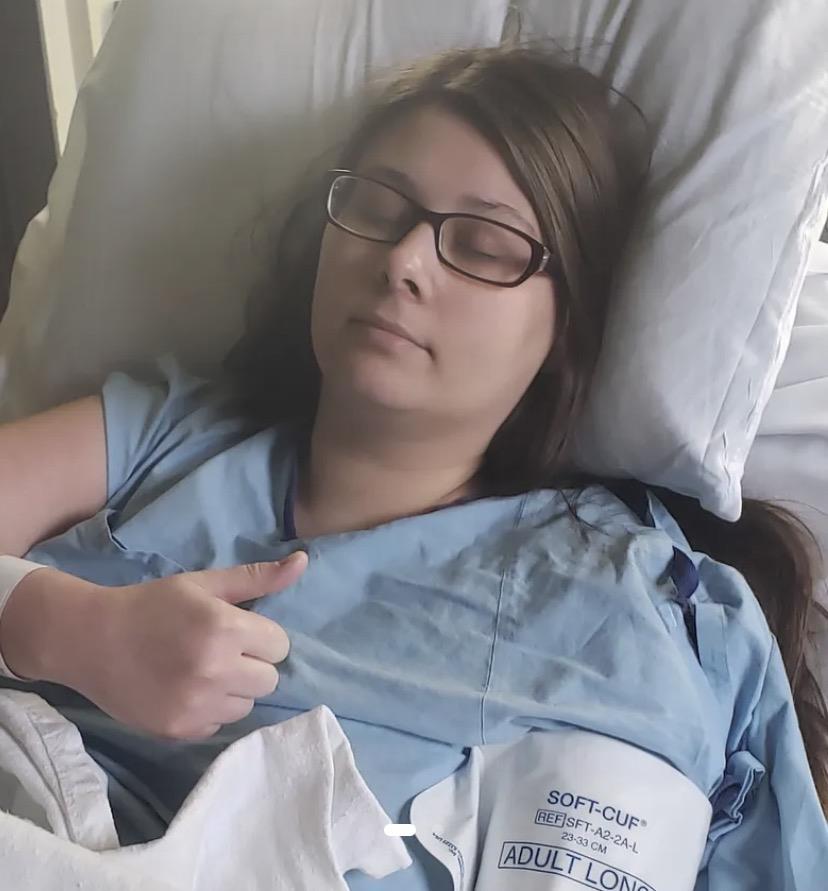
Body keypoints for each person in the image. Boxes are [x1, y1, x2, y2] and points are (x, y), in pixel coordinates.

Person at [0, 44, 826, 890]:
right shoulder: (165, 435)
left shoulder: (642, 611)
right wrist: (63, 629)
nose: (403, 262)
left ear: (565, 328)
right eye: (377, 205)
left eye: (483, 243)